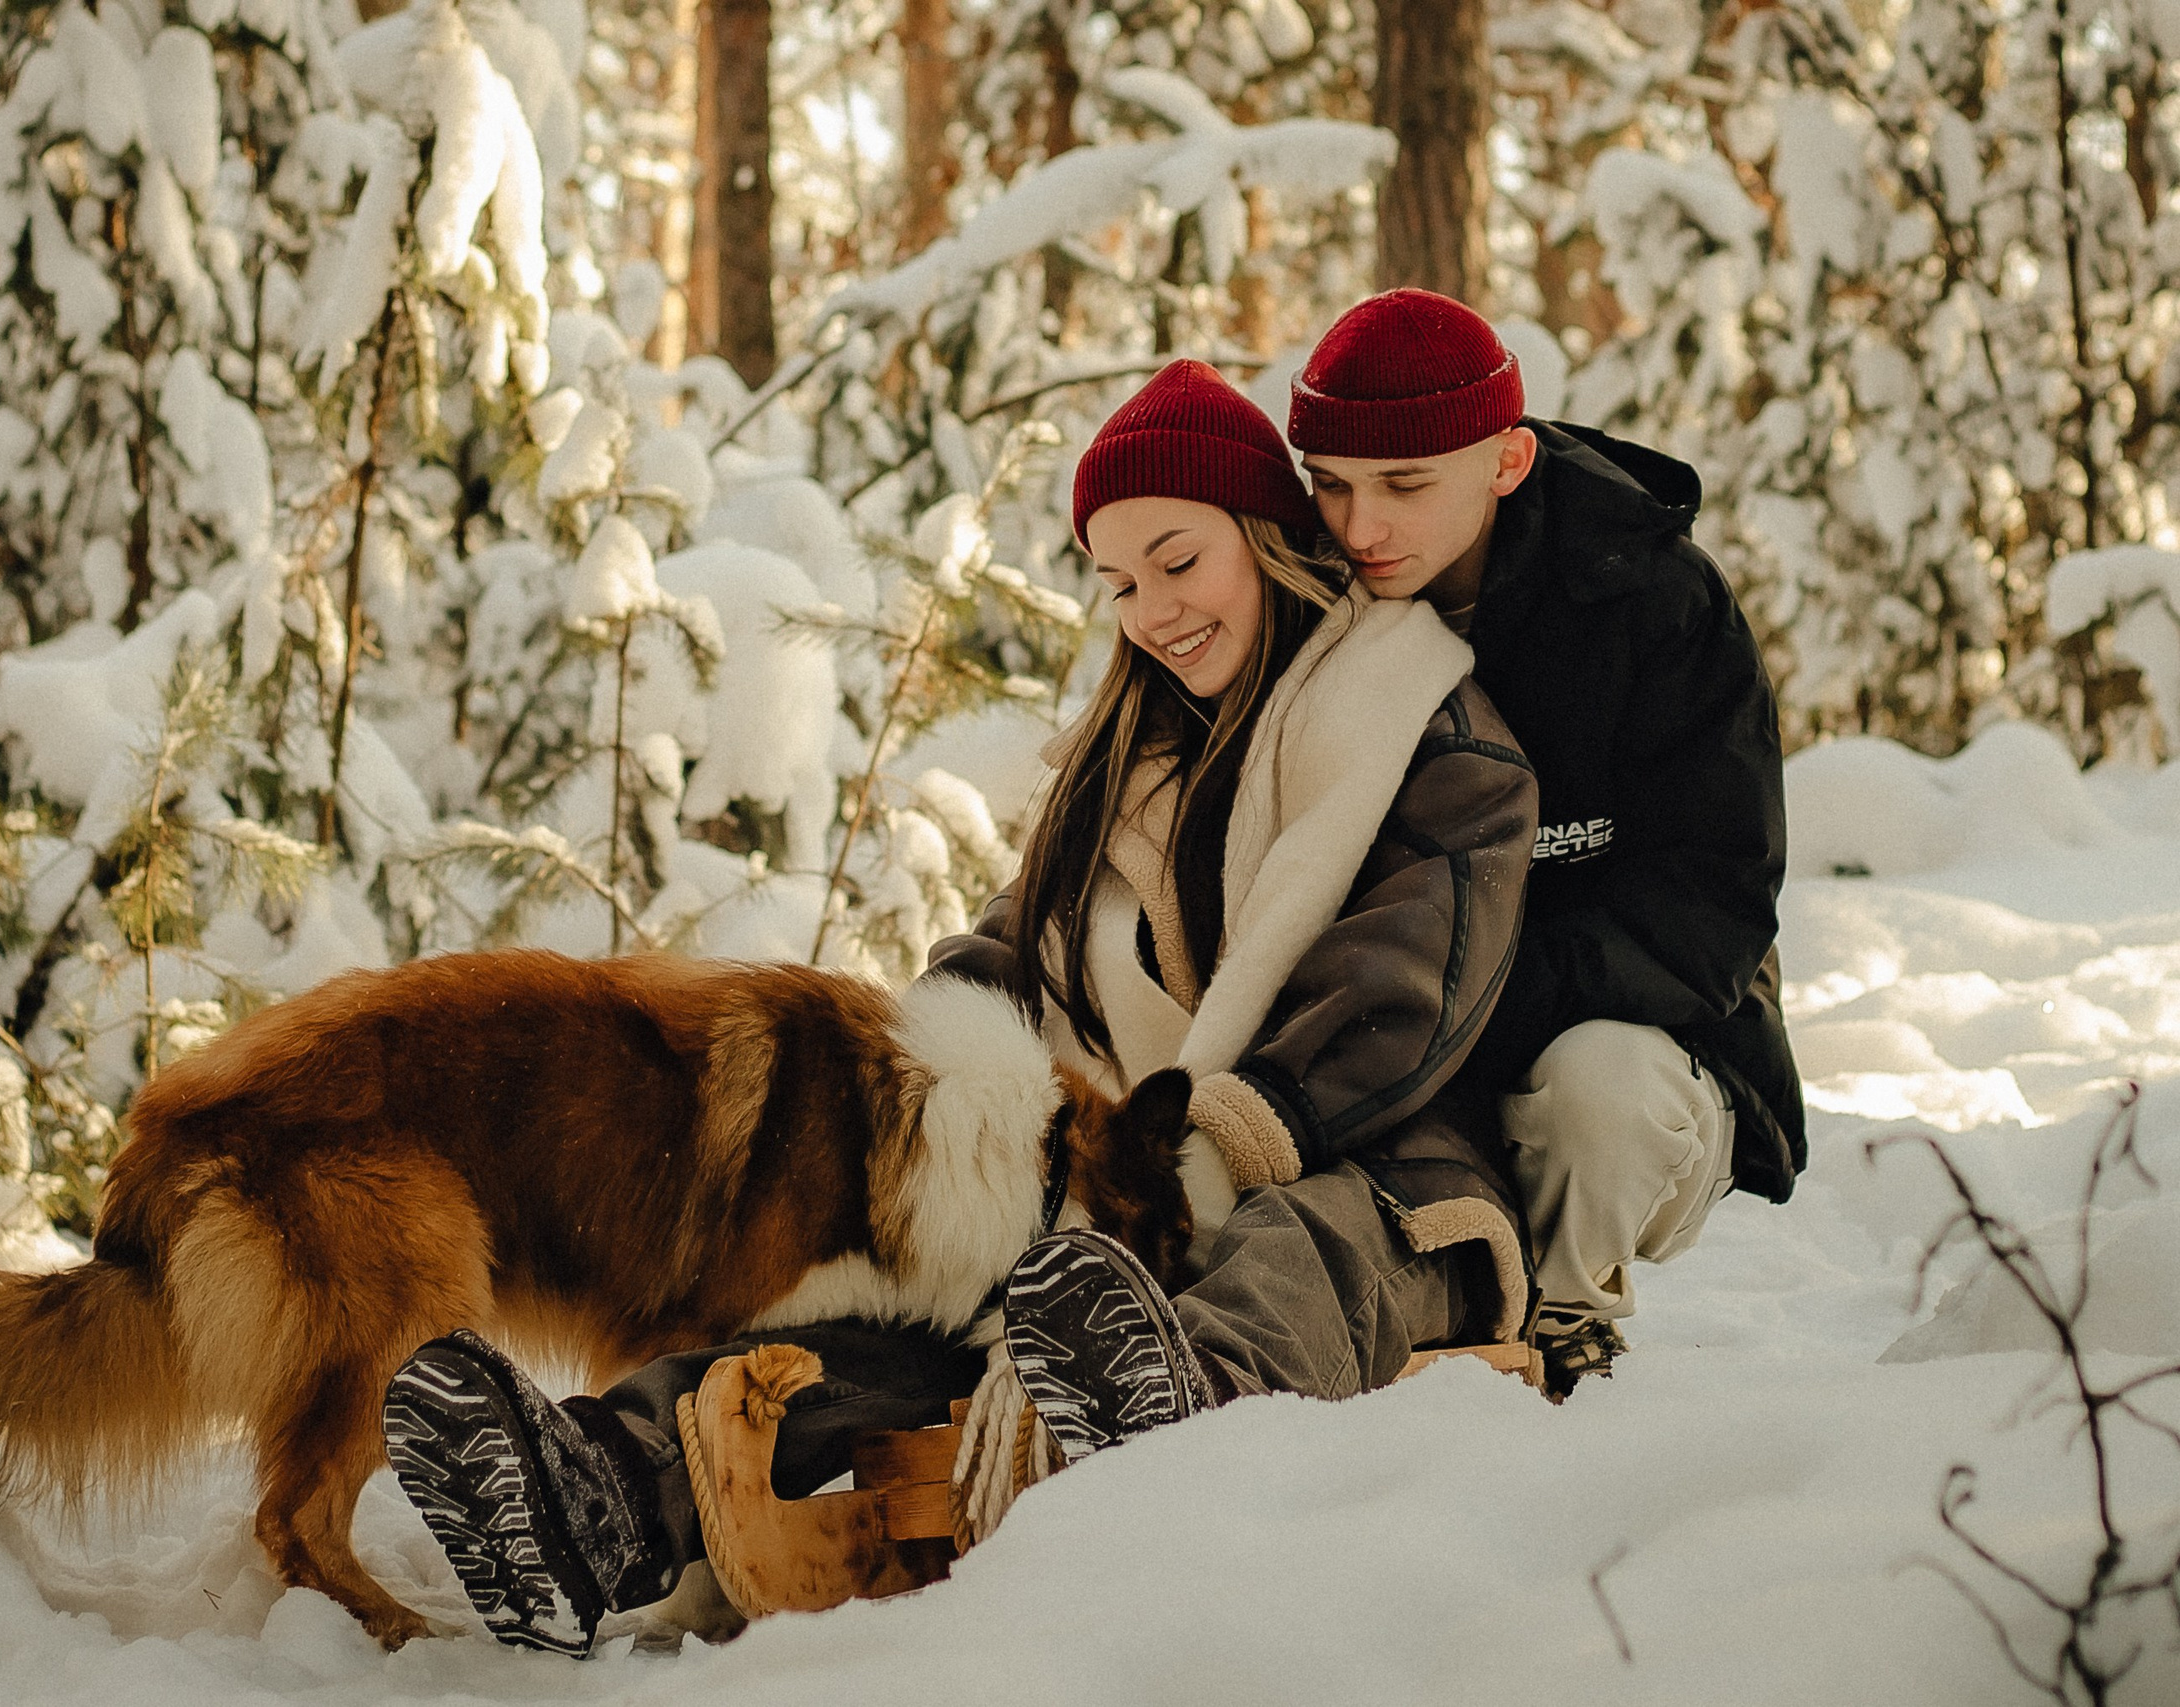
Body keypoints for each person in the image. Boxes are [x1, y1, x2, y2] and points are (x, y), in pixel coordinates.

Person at [378, 359, 1542, 1655]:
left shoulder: (1434, 738)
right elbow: (1009, 954)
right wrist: (916, 1086)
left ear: (1266, 540)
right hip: (1124, 1193)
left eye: (1179, 561)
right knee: (888, 1304)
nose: (1153, 609)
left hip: (1375, 1162)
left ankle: (1166, 1402)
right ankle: (600, 1486)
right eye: (1120, 583)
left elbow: (1402, 982)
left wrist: (1227, 1138)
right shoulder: (1121, 767)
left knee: (1299, 1242)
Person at [1281, 288, 1806, 1393]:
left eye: (1404, 487)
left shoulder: (1654, 605)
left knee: (1594, 1089)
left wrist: (1465, 1007)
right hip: (1386, 1029)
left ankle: (1561, 1332)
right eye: (1330, 484)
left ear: (1506, 463)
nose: (1358, 527)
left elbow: (1711, 905)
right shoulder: (1309, 591)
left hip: (1627, 1047)